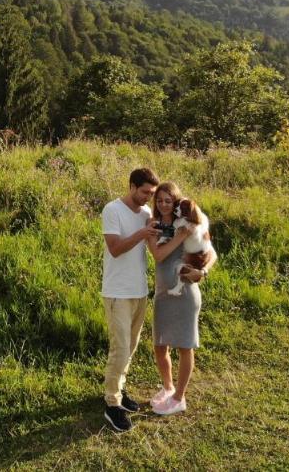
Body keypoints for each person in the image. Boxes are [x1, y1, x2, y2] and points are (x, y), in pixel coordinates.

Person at [100, 166, 160, 433]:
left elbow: (153, 249)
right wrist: (141, 234)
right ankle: (112, 405)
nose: (148, 197)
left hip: (139, 291)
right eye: (145, 192)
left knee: (131, 347)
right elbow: (115, 249)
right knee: (120, 348)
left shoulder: (147, 213)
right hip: (117, 292)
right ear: (132, 187)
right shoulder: (112, 210)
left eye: (152, 193)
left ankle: (119, 390)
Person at [147, 181, 209, 416]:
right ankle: (168, 387)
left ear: (175, 203)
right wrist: (180, 236)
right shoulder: (152, 225)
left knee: (184, 346)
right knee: (159, 345)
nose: (163, 204)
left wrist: (202, 272)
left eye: (168, 200)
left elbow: (210, 250)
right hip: (163, 294)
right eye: (159, 200)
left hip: (185, 293)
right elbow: (159, 255)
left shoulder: (189, 221)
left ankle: (179, 397)